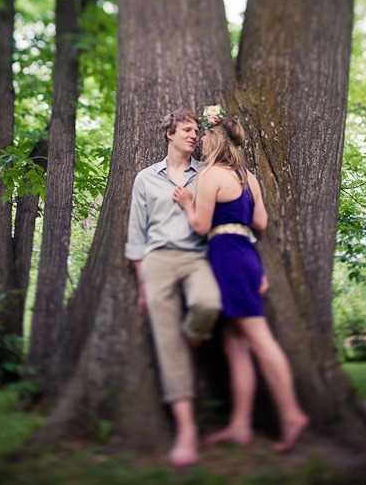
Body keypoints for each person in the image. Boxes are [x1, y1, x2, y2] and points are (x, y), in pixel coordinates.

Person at [173, 104, 309, 453]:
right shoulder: (249, 177)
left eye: (204, 137)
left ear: (215, 141)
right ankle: (240, 424)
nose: (200, 142)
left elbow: (202, 226)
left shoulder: (209, 175)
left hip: (227, 257)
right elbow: (260, 223)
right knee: (235, 345)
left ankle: (292, 414)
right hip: (246, 255)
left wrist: (188, 204)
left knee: (259, 340)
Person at [125, 108, 222, 467]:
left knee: (209, 304)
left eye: (197, 130)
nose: (194, 135)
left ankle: (184, 345)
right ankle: (186, 432)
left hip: (198, 258)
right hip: (157, 262)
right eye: (187, 129)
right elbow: (136, 236)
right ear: (169, 133)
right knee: (167, 349)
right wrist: (141, 288)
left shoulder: (206, 175)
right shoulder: (146, 179)